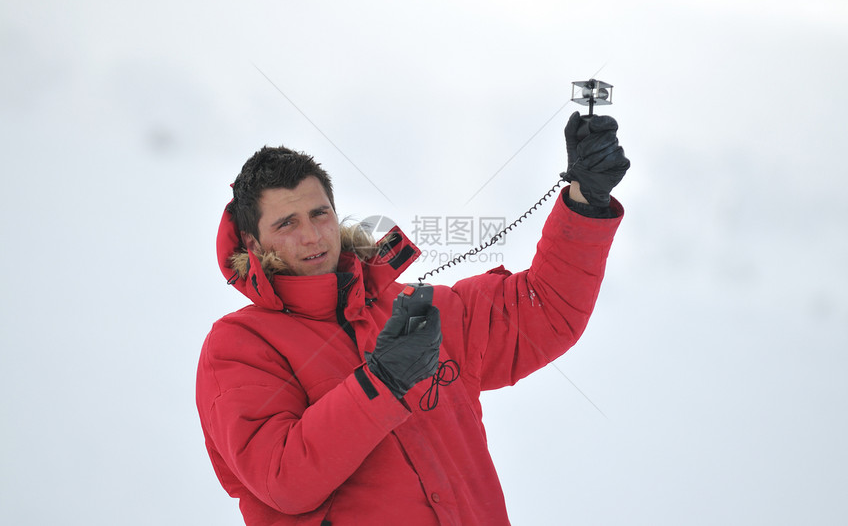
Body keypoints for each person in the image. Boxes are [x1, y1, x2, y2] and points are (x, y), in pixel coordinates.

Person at [196, 111, 629, 525]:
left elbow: (544, 309)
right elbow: (282, 480)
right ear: (253, 241)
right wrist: (382, 383)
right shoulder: (239, 345)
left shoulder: (419, 311)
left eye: (319, 213)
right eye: (286, 223)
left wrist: (586, 201)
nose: (311, 236)